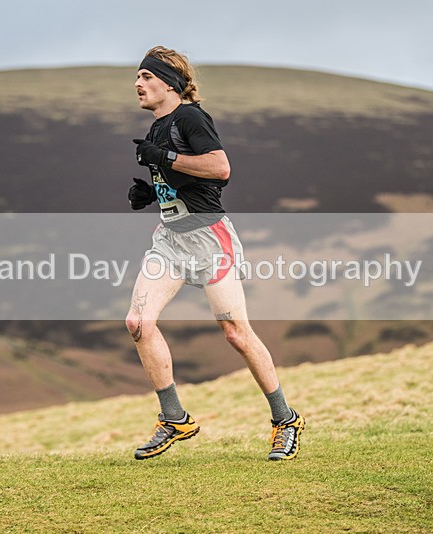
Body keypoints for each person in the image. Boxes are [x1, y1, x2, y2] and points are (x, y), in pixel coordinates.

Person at [125, 46, 304, 461]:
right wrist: (150, 191)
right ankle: (174, 419)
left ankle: (285, 421)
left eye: (146, 77)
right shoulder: (155, 127)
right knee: (138, 322)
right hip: (169, 240)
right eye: (136, 78)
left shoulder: (189, 116)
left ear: (168, 82)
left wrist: (165, 157)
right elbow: (180, 176)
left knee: (236, 334)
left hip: (209, 239)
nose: (137, 84)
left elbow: (220, 168)